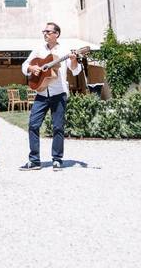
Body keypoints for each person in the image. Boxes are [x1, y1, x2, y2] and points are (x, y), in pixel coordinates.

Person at [19, 22, 82, 171]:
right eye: (44, 32)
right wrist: (31, 67)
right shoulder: (38, 49)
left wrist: (73, 60)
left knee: (58, 127)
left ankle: (57, 159)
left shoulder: (65, 50)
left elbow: (76, 71)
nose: (45, 34)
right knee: (33, 125)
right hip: (41, 93)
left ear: (56, 34)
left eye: (48, 31)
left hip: (58, 93)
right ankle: (34, 161)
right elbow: (24, 65)